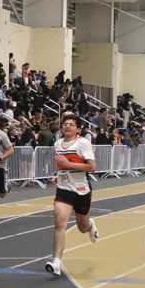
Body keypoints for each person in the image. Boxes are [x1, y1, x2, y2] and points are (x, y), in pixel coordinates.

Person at [47, 114, 98, 277]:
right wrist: (59, 174)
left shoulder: (83, 143)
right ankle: (56, 262)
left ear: (78, 129)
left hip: (81, 189)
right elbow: (63, 166)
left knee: (82, 228)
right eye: (65, 124)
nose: (67, 126)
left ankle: (90, 225)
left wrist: (69, 164)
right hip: (64, 189)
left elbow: (92, 167)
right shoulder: (58, 144)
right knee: (60, 221)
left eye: (71, 124)